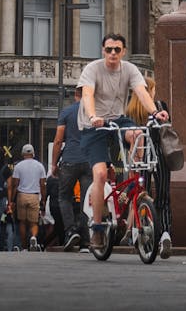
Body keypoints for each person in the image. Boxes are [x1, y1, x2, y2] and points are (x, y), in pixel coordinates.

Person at [78, 32, 168, 250]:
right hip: (94, 125)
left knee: (138, 134)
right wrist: (93, 117)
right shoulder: (92, 69)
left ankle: (134, 178)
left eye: (117, 50)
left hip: (117, 120)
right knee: (100, 174)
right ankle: (97, 228)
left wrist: (155, 112)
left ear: (123, 52)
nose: (112, 54)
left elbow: (141, 92)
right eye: (109, 49)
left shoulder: (129, 69)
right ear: (102, 50)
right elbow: (87, 95)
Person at [124, 76, 173, 259]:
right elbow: (167, 128)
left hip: (140, 157)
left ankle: (140, 232)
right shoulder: (160, 106)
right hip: (159, 156)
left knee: (140, 194)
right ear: (149, 90)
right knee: (163, 197)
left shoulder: (130, 111)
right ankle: (165, 234)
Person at [50, 86, 91, 251]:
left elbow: (58, 140)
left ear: (76, 95)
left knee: (64, 197)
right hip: (89, 161)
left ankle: (71, 230)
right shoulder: (94, 113)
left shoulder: (66, 112)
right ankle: (86, 242)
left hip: (69, 160)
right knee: (85, 201)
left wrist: (53, 164)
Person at [9, 143, 47, 252]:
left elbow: (15, 184)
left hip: (22, 195)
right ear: (33, 153)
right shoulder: (40, 166)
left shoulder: (18, 166)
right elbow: (43, 185)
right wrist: (43, 199)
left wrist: (12, 200)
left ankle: (24, 247)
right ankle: (34, 237)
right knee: (34, 222)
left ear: (23, 154)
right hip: (34, 195)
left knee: (22, 222)